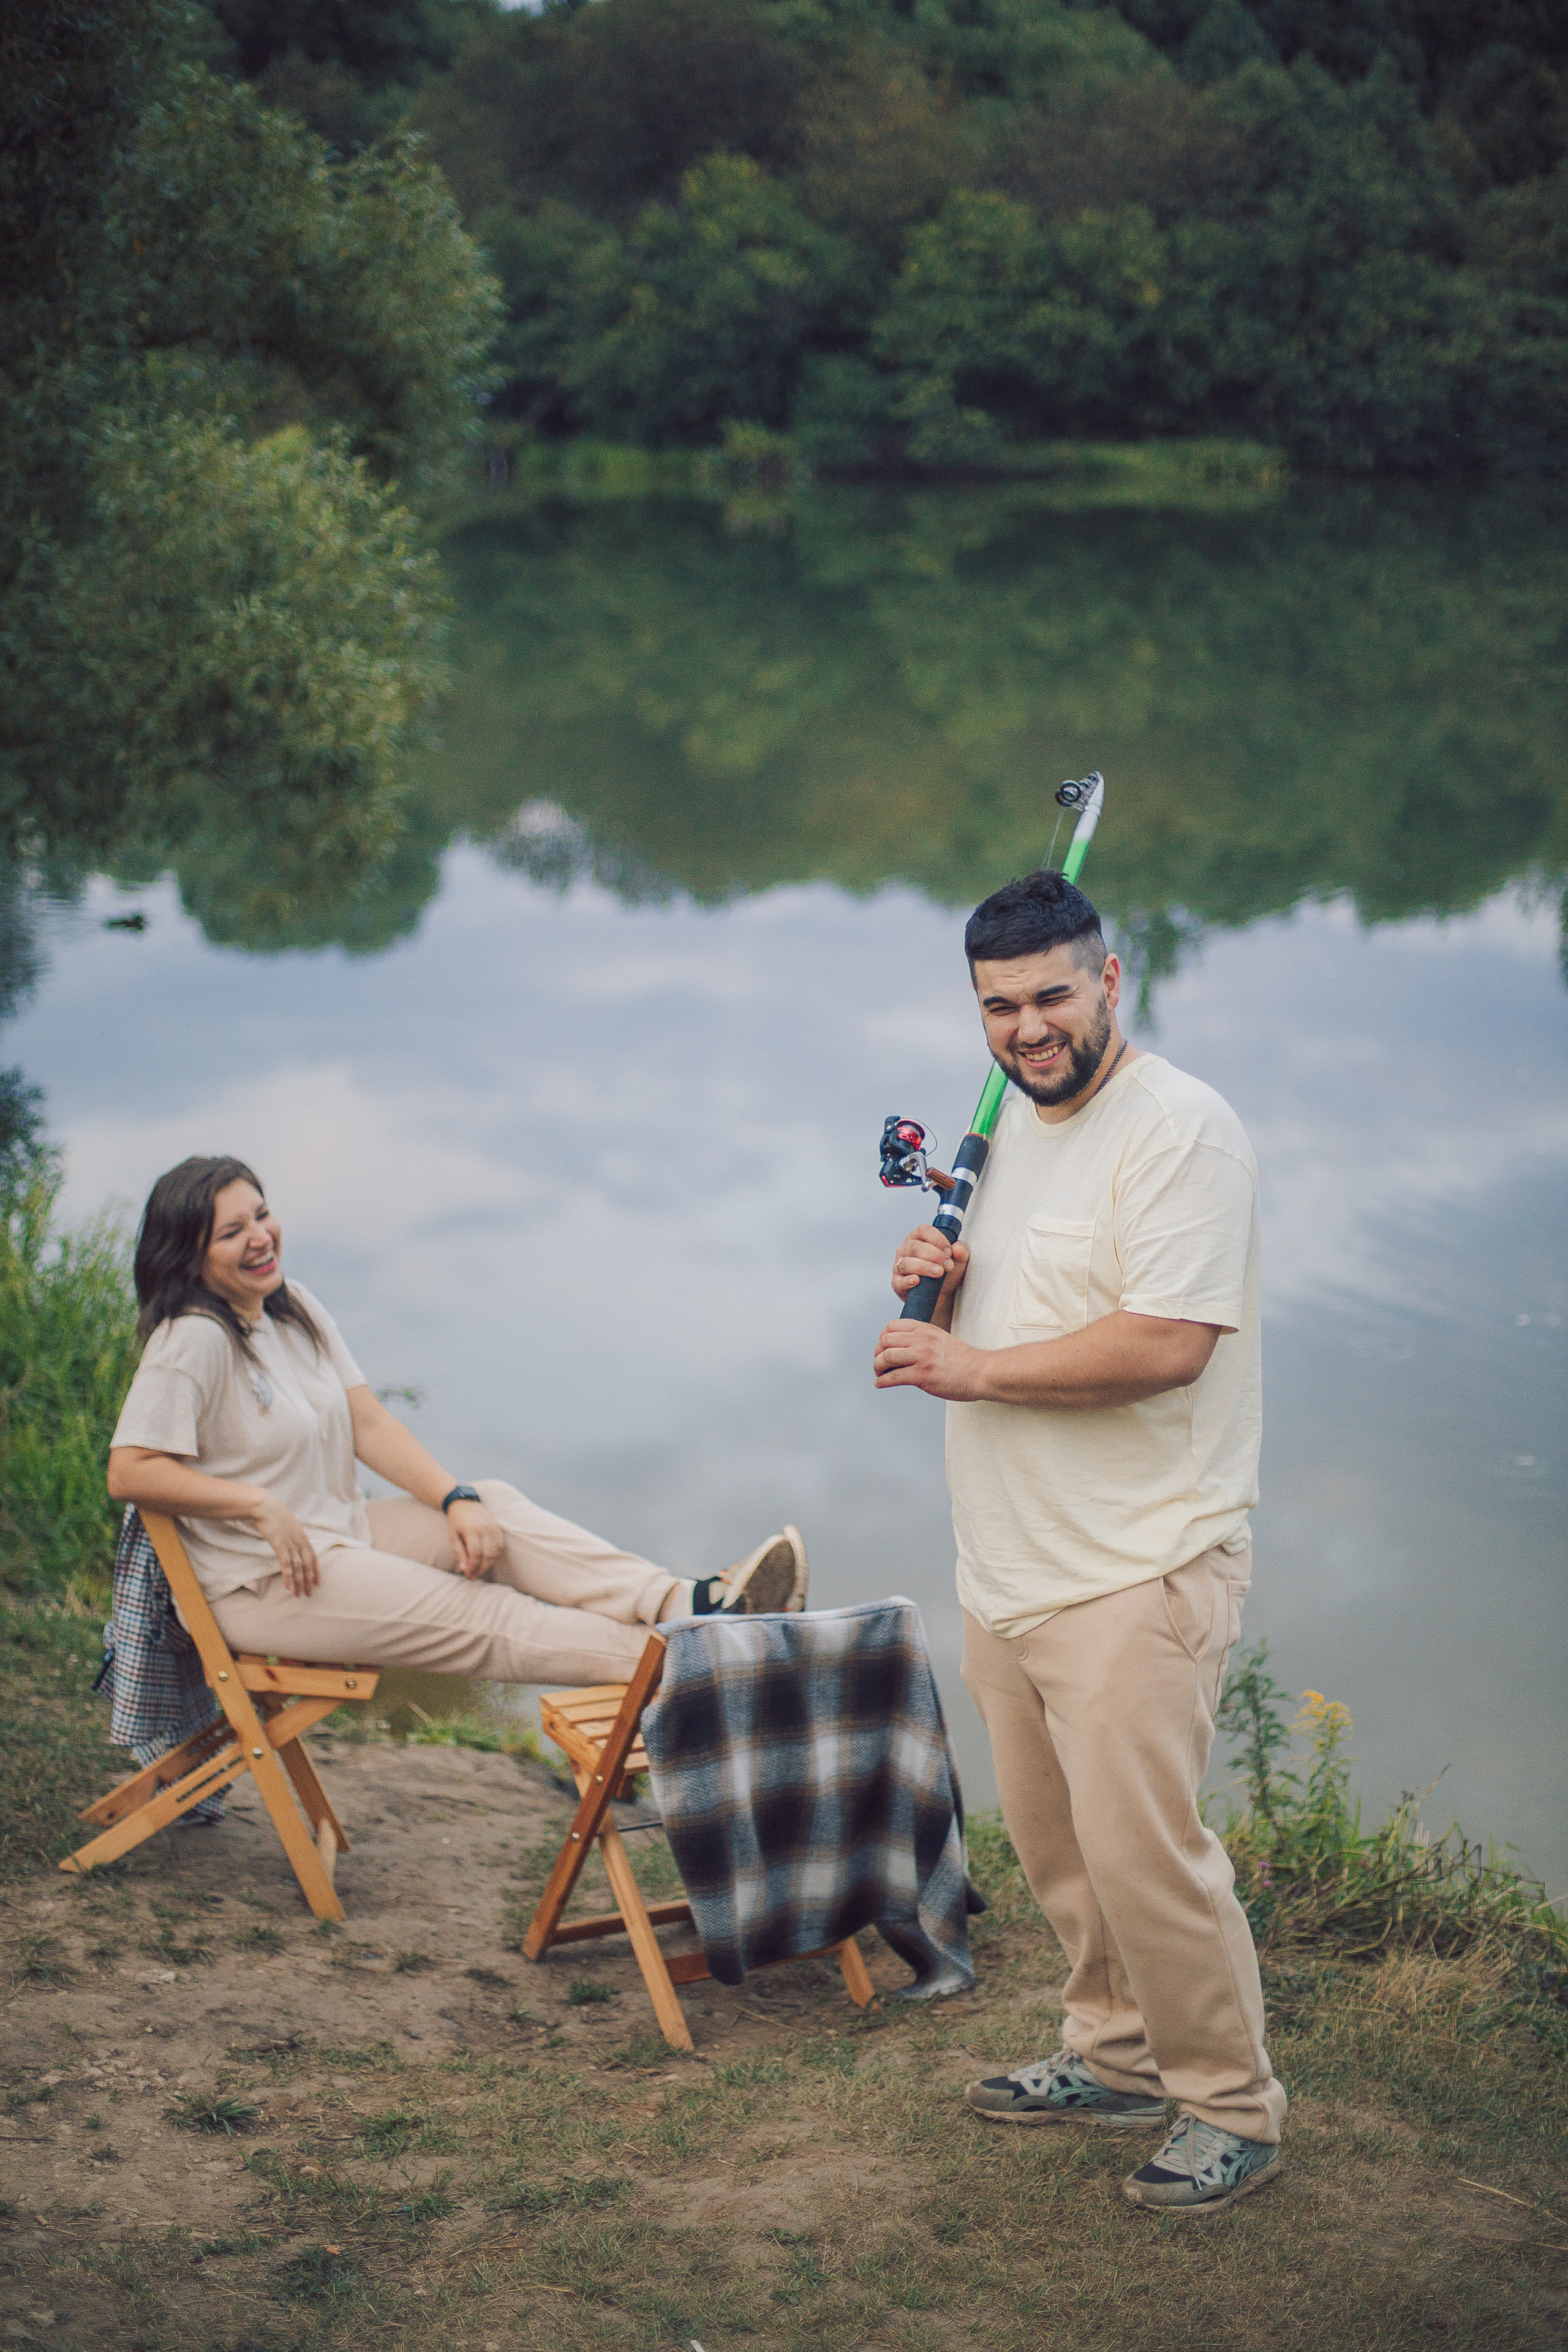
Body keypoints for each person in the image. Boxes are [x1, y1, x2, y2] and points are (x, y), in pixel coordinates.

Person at [872, 869, 1283, 2217]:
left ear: (1110, 981)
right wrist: (941, 1276)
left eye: (1051, 995)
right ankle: (1108, 2053)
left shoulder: (1182, 1132)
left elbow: (1165, 1344)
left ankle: (1228, 2105)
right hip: (1010, 1566)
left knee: (1150, 1862)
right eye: (998, 1006)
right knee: (1059, 1856)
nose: (1026, 1027)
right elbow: (1034, 1296)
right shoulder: (1012, 1122)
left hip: (1134, 1568)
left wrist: (965, 1370)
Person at [108, 1156, 807, 1686]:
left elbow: (369, 1424)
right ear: (191, 1256)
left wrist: (454, 1499)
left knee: (493, 1507)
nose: (260, 1238)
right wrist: (257, 1505)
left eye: (261, 1214)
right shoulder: (193, 1339)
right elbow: (131, 1470)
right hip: (266, 1584)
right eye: (232, 1232)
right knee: (489, 1618)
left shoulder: (290, 1304)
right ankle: (702, 1666)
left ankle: (692, 1605)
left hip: (342, 1533)